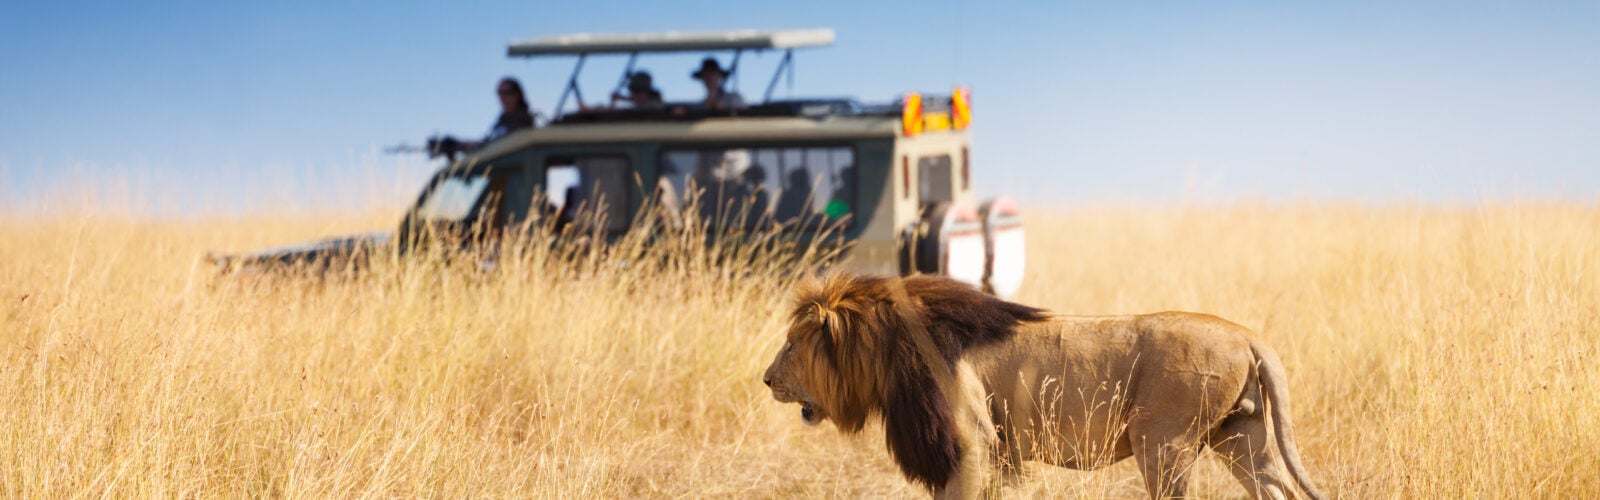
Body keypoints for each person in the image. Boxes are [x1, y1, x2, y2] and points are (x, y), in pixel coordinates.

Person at [429, 77, 535, 159]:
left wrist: (460, 146)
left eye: (507, 92)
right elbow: (485, 144)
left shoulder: (523, 122)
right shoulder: (500, 122)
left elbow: (497, 147)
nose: (502, 97)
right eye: (499, 93)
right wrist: (456, 145)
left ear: (517, 95)